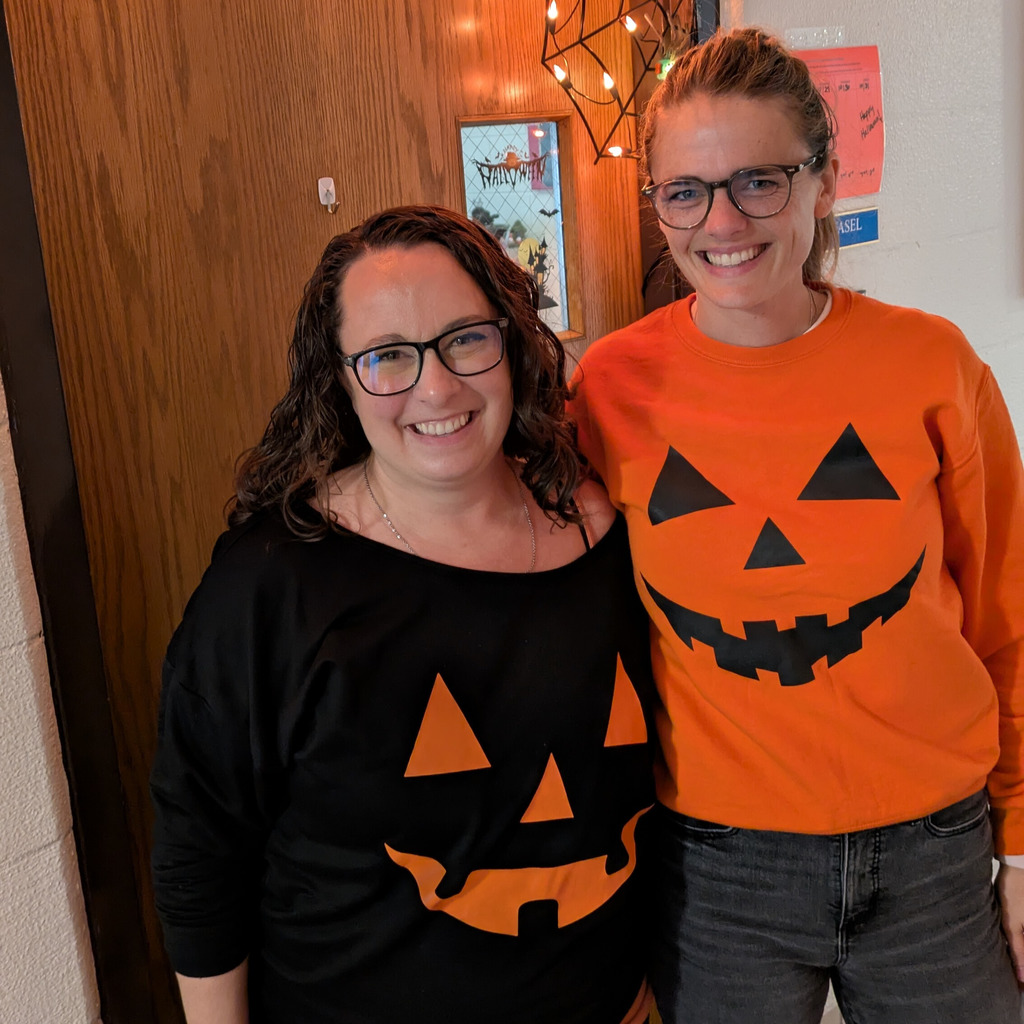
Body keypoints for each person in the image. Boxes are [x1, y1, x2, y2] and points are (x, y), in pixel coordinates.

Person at [571, 26, 1024, 1024]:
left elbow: (1007, 616)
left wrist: (1022, 838)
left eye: (757, 182)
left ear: (822, 181)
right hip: (720, 865)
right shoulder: (608, 389)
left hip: (933, 849)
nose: (719, 220)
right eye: (684, 191)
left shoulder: (930, 366)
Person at [150, 205, 656, 1024]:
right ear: (341, 380)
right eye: (388, 356)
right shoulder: (273, 584)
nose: (437, 386)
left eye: (464, 338)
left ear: (513, 341)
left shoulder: (603, 530)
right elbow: (201, 847)